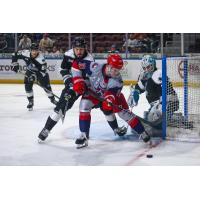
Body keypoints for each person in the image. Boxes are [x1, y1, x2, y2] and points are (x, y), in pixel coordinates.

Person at [38, 37, 127, 142]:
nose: (79, 52)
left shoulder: (89, 59)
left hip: (87, 87)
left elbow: (92, 77)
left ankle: (114, 129)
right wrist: (69, 82)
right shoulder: (68, 54)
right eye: (77, 49)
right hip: (72, 85)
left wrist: (86, 85)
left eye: (81, 49)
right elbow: (63, 69)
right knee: (61, 108)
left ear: (85, 48)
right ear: (73, 48)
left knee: (105, 106)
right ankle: (46, 129)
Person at [71, 54, 151, 148]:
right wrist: (77, 80)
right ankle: (83, 135)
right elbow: (76, 64)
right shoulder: (95, 67)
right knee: (84, 105)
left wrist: (109, 99)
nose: (117, 73)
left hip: (109, 97)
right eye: (115, 69)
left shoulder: (118, 81)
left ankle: (142, 132)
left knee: (123, 113)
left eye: (118, 70)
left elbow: (111, 94)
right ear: (108, 66)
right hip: (94, 93)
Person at [127, 55, 180, 131]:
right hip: (157, 105)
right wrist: (134, 94)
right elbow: (138, 87)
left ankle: (171, 119)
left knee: (153, 117)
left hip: (168, 102)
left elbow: (168, 89)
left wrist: (162, 104)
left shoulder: (158, 73)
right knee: (147, 116)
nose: (146, 69)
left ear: (153, 65)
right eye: (144, 68)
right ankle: (169, 118)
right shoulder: (146, 76)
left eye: (148, 67)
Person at [11, 43, 57, 111]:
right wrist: (15, 64)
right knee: (27, 85)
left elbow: (42, 72)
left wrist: (34, 77)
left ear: (38, 50)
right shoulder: (25, 53)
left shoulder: (41, 59)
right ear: (30, 50)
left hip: (41, 74)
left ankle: (52, 99)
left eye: (36, 50)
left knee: (47, 87)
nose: (34, 52)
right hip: (30, 71)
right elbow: (14, 55)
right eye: (33, 50)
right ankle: (30, 102)